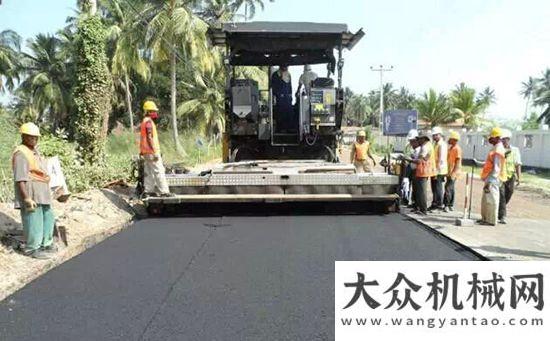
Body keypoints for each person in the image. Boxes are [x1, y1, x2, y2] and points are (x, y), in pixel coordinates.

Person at [12, 123, 55, 259]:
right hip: (31, 192)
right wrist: (26, 198)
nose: (33, 140)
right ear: (23, 136)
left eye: (35, 137)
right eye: (30, 137)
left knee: (48, 217)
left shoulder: (35, 152)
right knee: (33, 220)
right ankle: (32, 248)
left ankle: (45, 244)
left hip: (42, 191)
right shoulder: (21, 153)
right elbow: (20, 178)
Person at [140, 100, 171, 197]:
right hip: (151, 151)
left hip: (145, 152)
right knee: (159, 170)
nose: (155, 113)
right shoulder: (149, 123)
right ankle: (164, 192)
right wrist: (154, 151)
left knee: (148, 171)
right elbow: (149, 137)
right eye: (153, 111)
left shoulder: (144, 122)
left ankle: (148, 191)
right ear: (148, 112)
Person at [477, 127, 507, 226]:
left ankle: (491, 220)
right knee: (486, 199)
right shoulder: (495, 147)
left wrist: (490, 180)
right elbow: (490, 163)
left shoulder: (498, 149)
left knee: (492, 199)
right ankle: (485, 218)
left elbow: (497, 166)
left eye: (491, 138)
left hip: (493, 178)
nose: (489, 139)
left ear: (497, 138)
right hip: (489, 177)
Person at [497, 129, 522, 224]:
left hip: (511, 176)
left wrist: (519, 178)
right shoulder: (499, 150)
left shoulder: (515, 150)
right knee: (502, 195)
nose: (503, 141)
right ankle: (502, 216)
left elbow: (518, 164)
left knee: (509, 193)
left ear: (508, 139)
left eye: (504, 139)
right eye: (501, 139)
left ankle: (499, 209)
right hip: (500, 176)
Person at [411, 131, 436, 215]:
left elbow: (419, 161)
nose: (418, 141)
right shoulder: (429, 145)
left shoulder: (425, 147)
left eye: (419, 139)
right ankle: (420, 208)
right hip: (424, 170)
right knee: (420, 190)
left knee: (422, 191)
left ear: (424, 139)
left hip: (423, 171)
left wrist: (407, 159)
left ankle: (423, 209)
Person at [444, 130, 462, 212]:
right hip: (449, 171)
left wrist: (453, 173)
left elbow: (457, 162)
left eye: (450, 139)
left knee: (448, 188)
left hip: (454, 172)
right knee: (451, 188)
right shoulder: (451, 148)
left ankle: (447, 205)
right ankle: (451, 204)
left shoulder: (457, 149)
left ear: (454, 140)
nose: (449, 140)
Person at [429, 127, 447, 211]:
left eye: (435, 135)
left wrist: (437, 170)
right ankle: (434, 203)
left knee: (438, 188)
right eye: (433, 135)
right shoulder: (435, 144)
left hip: (439, 170)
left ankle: (439, 204)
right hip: (434, 169)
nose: (434, 137)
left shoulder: (442, 145)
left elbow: (441, 159)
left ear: (440, 135)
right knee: (434, 187)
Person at [271, 65, 293, 132]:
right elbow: (273, 86)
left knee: (289, 112)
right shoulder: (275, 75)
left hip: (287, 97)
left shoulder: (288, 74)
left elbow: (289, 85)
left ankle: (289, 128)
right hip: (279, 97)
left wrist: (290, 94)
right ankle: (280, 128)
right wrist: (277, 94)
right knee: (280, 113)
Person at [402, 129, 420, 207]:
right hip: (408, 167)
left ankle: (415, 202)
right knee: (406, 184)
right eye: (410, 140)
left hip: (416, 169)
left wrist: (408, 158)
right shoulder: (408, 146)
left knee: (416, 187)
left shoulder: (419, 148)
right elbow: (406, 154)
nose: (411, 142)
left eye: (412, 140)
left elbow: (418, 159)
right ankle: (406, 200)